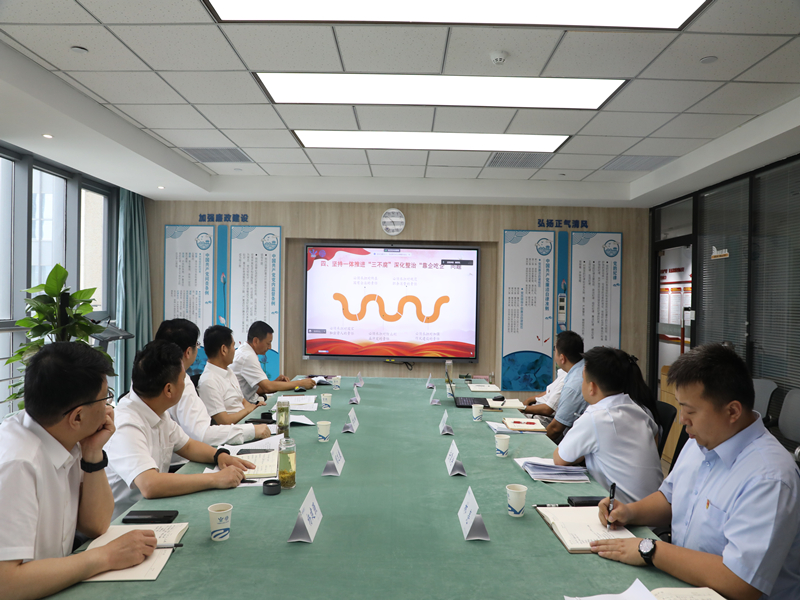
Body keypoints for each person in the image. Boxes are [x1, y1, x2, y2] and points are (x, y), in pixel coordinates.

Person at [591, 344, 800, 600]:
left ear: (732, 411)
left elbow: (741, 582)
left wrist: (651, 550)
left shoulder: (770, 476)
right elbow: (670, 498)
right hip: (684, 585)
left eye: (690, 411)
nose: (682, 420)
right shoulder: (700, 441)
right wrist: (630, 512)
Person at [0, 342, 157, 599]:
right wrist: (105, 556)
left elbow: (96, 525)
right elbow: (6, 584)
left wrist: (93, 454)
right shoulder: (17, 463)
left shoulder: (62, 435)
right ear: (77, 417)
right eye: (106, 398)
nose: (110, 408)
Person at [105, 341, 255, 520]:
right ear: (168, 389)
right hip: (122, 521)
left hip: (153, 510)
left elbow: (188, 446)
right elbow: (149, 484)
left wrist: (220, 456)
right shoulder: (126, 424)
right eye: (183, 378)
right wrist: (216, 479)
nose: (186, 383)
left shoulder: (156, 410)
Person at [553, 346, 664, 504]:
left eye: (583, 379)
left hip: (623, 512)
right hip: (653, 508)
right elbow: (654, 436)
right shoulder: (637, 410)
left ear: (592, 387)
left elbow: (560, 459)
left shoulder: (595, 417)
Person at [154, 319, 270, 453]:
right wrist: (251, 430)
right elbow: (202, 434)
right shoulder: (184, 383)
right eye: (197, 345)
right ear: (188, 352)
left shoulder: (156, 375)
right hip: (185, 457)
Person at [198, 325, 267, 425]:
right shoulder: (208, 382)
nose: (235, 350)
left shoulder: (228, 371)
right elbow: (224, 421)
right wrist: (248, 410)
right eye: (233, 346)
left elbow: (242, 401)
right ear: (224, 350)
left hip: (245, 421)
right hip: (234, 429)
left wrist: (255, 408)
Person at [230, 321, 315, 402]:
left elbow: (257, 389)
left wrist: (275, 383)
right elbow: (267, 387)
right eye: (268, 343)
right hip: (245, 405)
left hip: (250, 401)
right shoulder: (247, 356)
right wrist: (300, 383)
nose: (270, 347)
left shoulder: (245, 351)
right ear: (256, 341)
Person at [544, 331, 585, 443]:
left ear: (562, 358)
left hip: (574, 442)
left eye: (555, 350)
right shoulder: (583, 368)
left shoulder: (574, 385)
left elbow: (555, 429)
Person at [519, 344, 569, 426]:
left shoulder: (567, 379)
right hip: (534, 411)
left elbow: (548, 409)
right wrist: (529, 400)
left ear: (562, 357)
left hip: (539, 418)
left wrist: (524, 408)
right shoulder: (564, 373)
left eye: (555, 351)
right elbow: (550, 391)